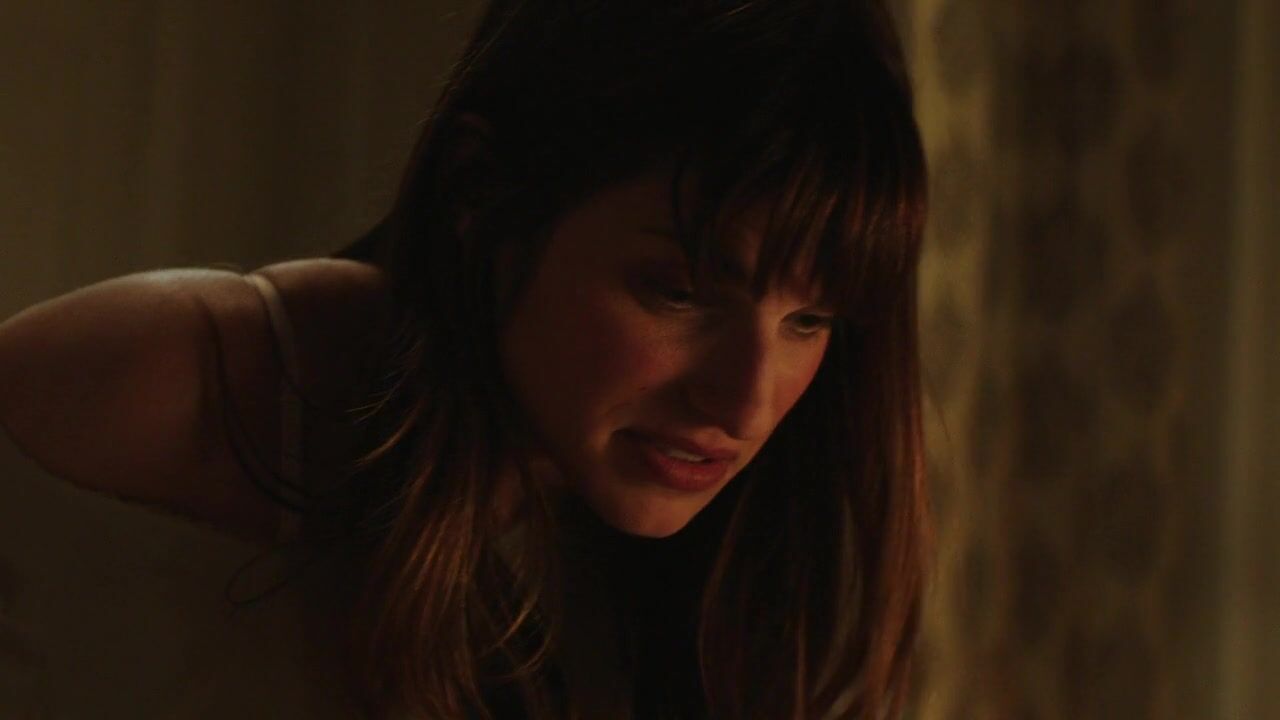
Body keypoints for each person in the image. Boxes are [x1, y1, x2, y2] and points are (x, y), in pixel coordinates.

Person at [0, 0, 931, 717]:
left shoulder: (709, 575)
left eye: (812, 317)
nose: (746, 403)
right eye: (679, 292)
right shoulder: (180, 383)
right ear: (479, 194)